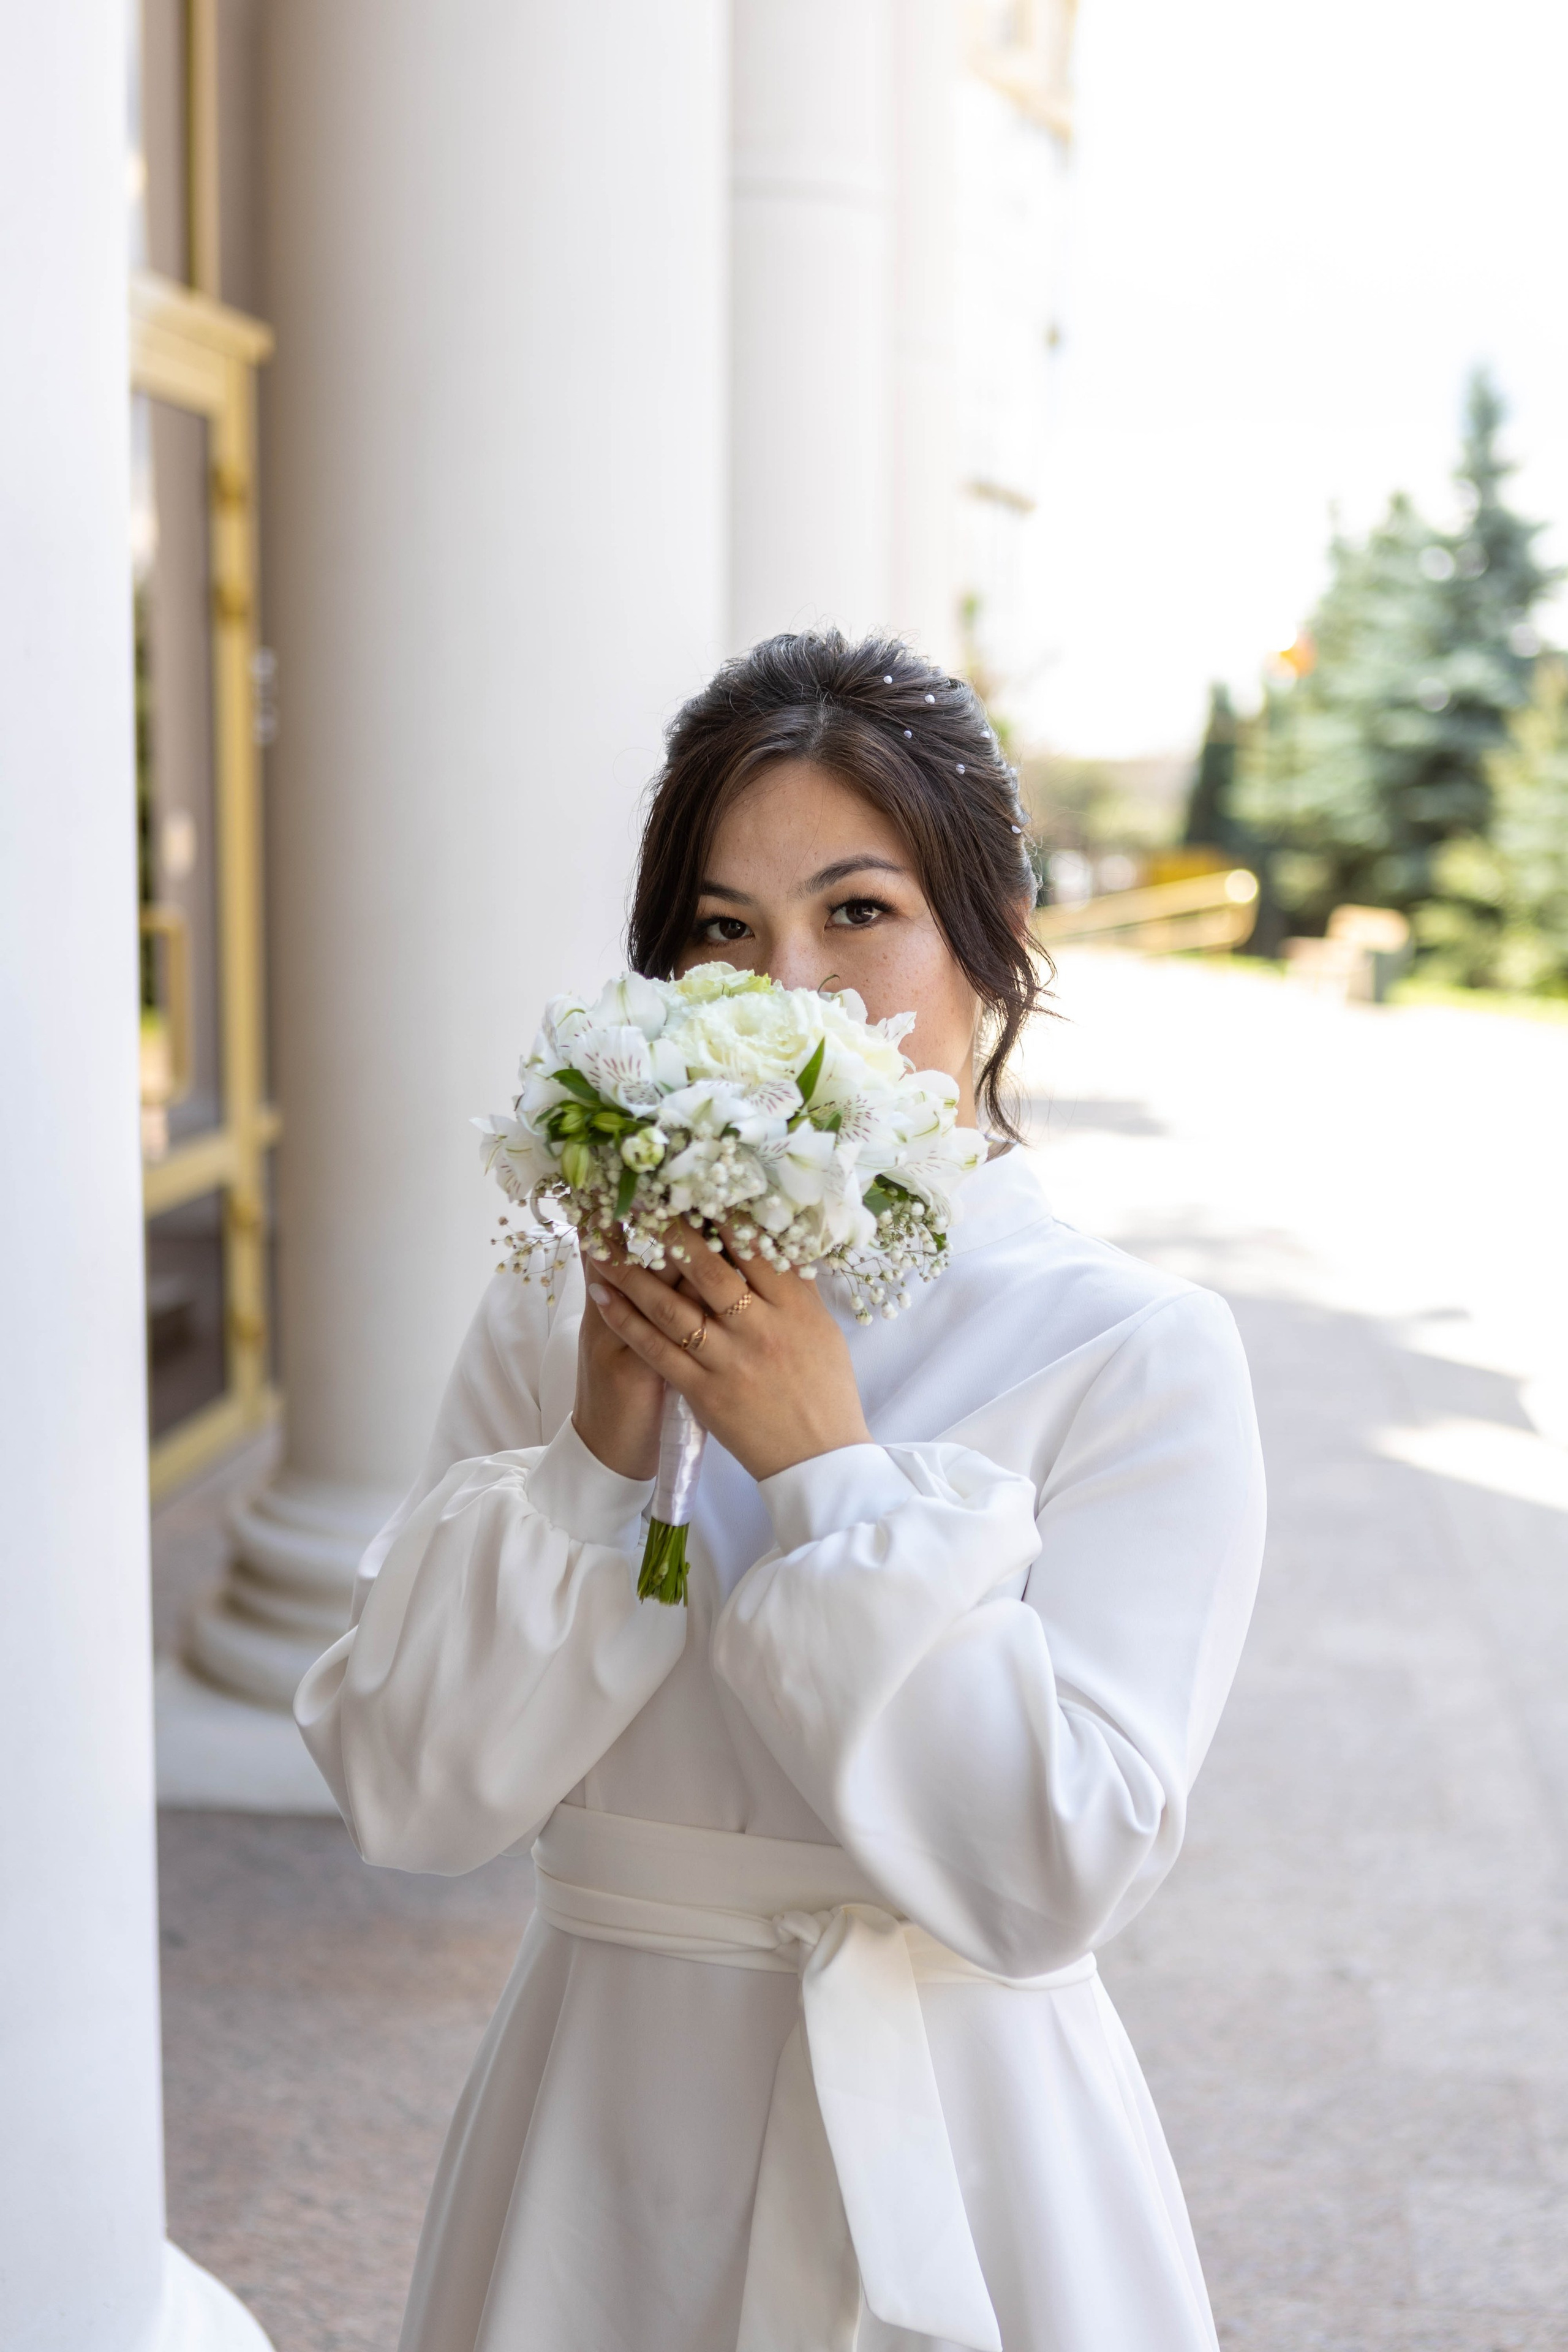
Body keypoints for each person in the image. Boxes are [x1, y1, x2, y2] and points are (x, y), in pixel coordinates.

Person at [296, 630, 1265, 2352]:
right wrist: (598, 1456)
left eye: (859, 912)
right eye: (725, 931)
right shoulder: (565, 1310)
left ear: (996, 937)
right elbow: (408, 1793)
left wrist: (824, 1470)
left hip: (964, 2139)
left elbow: (1053, 1877)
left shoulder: (1135, 1352)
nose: (792, 992)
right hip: (600, 2133)